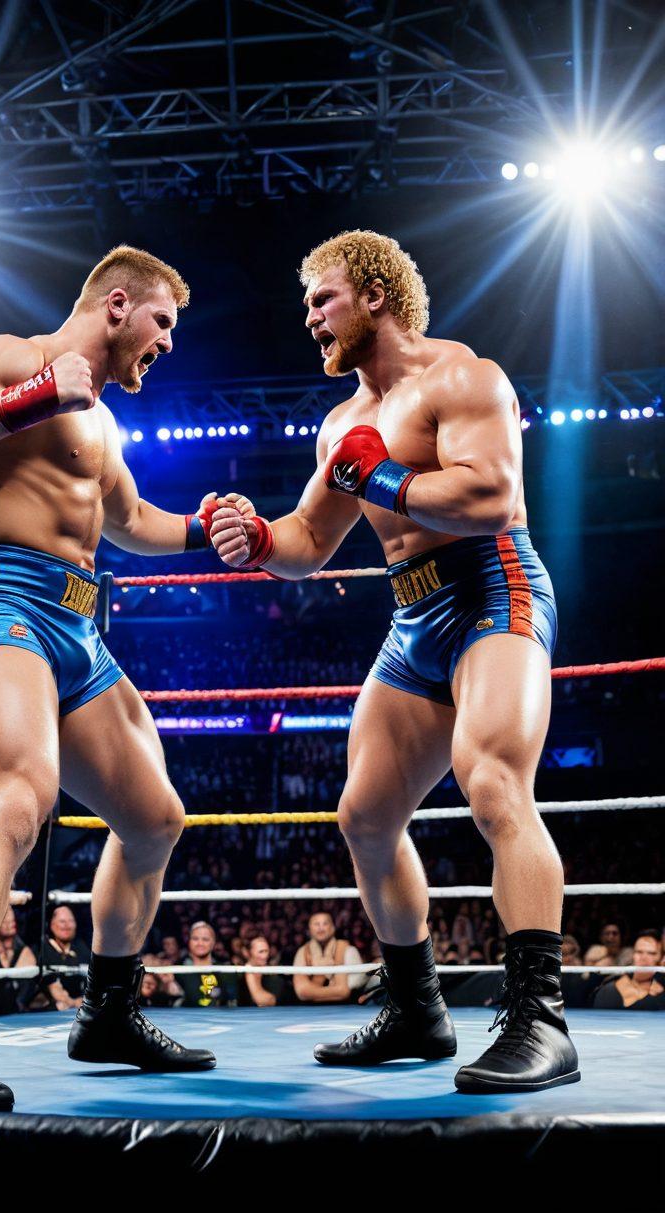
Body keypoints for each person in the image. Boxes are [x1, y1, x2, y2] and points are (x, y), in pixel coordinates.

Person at [211, 229, 578, 1092]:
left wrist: (383, 482)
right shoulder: (340, 423)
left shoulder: (464, 377)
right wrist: (258, 538)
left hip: (495, 590)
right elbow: (311, 537)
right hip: (413, 614)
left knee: (491, 780)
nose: (310, 319)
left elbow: (490, 497)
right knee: (365, 818)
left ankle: (540, 1021)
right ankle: (418, 1008)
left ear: (375, 294)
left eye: (322, 299)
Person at [0, 245, 251, 1111]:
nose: (168, 342)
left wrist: (209, 529)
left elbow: (129, 520)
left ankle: (109, 1012)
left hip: (76, 622)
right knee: (18, 798)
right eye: (164, 322)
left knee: (156, 819)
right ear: (119, 305)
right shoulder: (15, 356)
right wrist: (29, 397)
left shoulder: (103, 421)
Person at [292, 912, 364, 1005]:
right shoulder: (303, 951)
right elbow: (302, 992)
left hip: (347, 1007)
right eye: (316, 924)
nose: (320, 928)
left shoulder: (347, 949)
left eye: (325, 923)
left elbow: (345, 992)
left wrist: (312, 993)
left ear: (333, 928)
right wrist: (326, 977)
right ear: (309, 929)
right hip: (311, 1010)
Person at [0, 908, 37, 1018]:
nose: (9, 925)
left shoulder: (23, 951)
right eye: (5, 922)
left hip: (15, 1014)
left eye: (12, 921)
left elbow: (26, 990)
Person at [592, 932, 665, 1010]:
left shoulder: (661, 993)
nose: (644, 958)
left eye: (651, 953)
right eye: (639, 952)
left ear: (660, 959)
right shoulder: (609, 989)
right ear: (633, 955)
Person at [39, 904, 90, 1009]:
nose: (67, 925)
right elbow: (54, 989)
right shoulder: (42, 949)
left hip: (79, 1007)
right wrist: (74, 1003)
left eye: (71, 921)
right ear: (51, 925)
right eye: (62, 921)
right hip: (51, 1009)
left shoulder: (81, 948)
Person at [176, 922, 237, 1007]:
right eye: (195, 938)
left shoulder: (225, 969)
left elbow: (232, 1003)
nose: (200, 943)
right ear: (189, 941)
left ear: (213, 943)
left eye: (205, 939)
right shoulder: (177, 971)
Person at [237, 936, 287, 1007]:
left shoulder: (273, 977)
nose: (265, 956)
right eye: (261, 952)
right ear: (247, 953)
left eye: (266, 951)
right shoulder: (238, 974)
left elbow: (269, 1001)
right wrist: (249, 972)